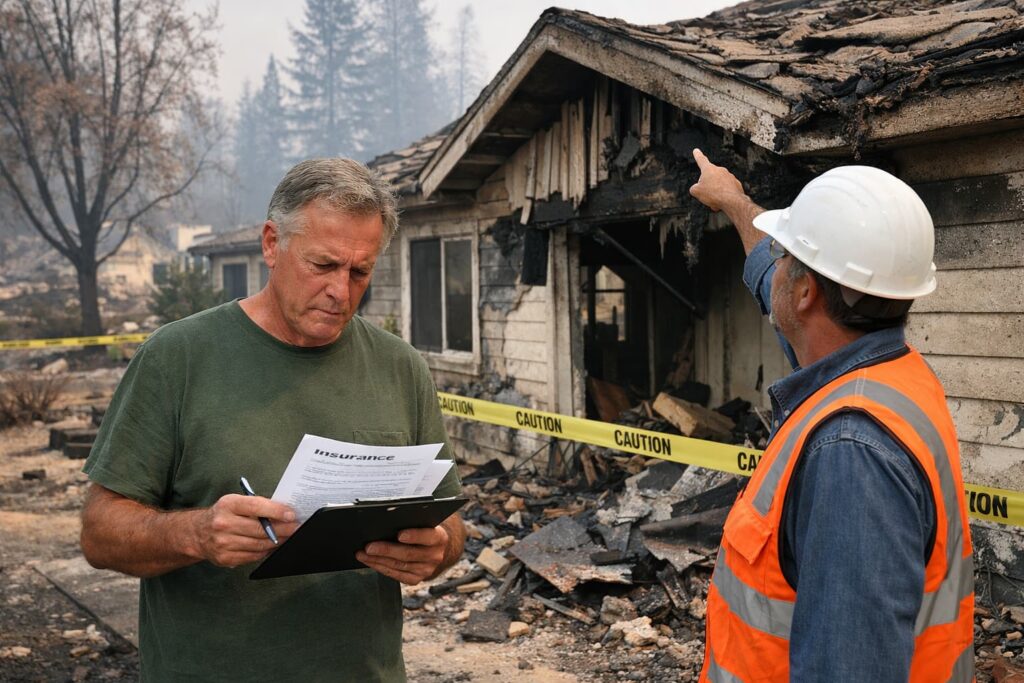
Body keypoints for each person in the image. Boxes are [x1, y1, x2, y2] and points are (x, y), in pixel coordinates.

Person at [80, 158, 466, 682]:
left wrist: (434, 552)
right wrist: (196, 533)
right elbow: (99, 533)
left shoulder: (400, 367)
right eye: (323, 265)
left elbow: (449, 525)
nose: (341, 290)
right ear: (271, 243)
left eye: (360, 272)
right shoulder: (178, 358)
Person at [688, 150, 974, 682]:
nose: (774, 266)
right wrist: (732, 201)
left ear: (804, 293)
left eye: (787, 257)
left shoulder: (850, 449)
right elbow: (770, 282)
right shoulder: (890, 372)